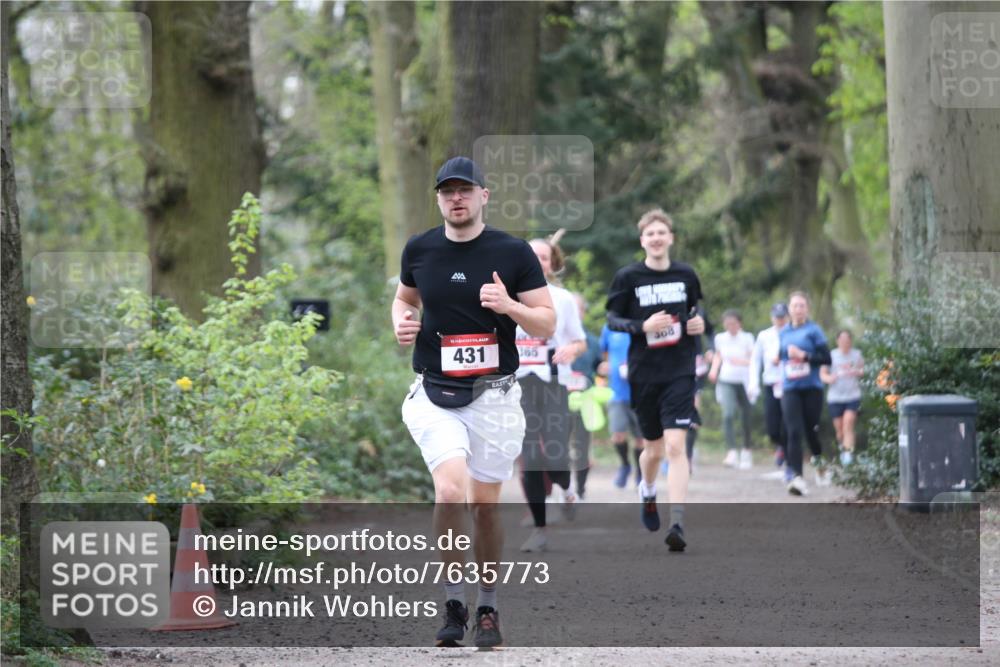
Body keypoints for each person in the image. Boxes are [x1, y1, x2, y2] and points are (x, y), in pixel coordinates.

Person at [393, 156, 556, 647]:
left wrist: (509, 306)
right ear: (439, 199)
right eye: (447, 192)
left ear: (484, 195)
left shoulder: (512, 252)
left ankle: (488, 604)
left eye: (465, 190)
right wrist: (400, 320)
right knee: (450, 492)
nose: (456, 198)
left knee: (485, 505)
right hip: (435, 394)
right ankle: (453, 601)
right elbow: (405, 299)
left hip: (494, 395)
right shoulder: (419, 249)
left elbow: (546, 323)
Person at [606, 208, 706, 551]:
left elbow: (697, 310)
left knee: (676, 447)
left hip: (680, 369)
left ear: (671, 238)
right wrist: (641, 327)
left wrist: (699, 324)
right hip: (644, 373)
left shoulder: (686, 274)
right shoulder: (628, 277)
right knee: (652, 450)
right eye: (650, 234)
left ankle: (676, 521)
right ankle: (647, 491)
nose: (657, 238)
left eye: (662, 232)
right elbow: (612, 320)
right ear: (642, 240)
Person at [516, 239, 586, 553]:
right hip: (517, 384)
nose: (537, 261)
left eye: (543, 257)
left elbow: (579, 341)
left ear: (552, 264)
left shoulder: (563, 298)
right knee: (530, 457)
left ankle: (567, 487)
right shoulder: (504, 296)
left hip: (554, 381)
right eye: (531, 256)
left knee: (555, 453)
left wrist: (571, 348)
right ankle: (540, 529)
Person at [777, 291, 831, 496]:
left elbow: (826, 359)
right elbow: (782, 357)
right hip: (790, 388)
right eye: (794, 306)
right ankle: (797, 477)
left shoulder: (814, 331)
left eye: (801, 305)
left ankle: (820, 465)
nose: (798, 309)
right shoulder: (783, 332)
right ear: (789, 309)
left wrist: (804, 356)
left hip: (812, 388)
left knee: (811, 431)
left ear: (807, 309)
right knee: (793, 432)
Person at [708, 310, 755, 469]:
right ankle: (731, 451)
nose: (730, 327)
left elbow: (753, 360)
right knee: (727, 414)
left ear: (739, 323)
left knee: (745, 416)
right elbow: (718, 356)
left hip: (744, 381)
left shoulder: (747, 338)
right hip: (726, 379)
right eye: (727, 324)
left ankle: (747, 449)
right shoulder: (720, 338)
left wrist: (740, 362)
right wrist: (714, 370)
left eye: (733, 324)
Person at [599, 323, 644, 488]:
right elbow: (604, 354)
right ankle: (625, 465)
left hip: (640, 392)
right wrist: (607, 366)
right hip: (616, 392)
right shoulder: (609, 328)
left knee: (641, 439)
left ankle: (640, 472)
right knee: (618, 435)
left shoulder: (640, 324)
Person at [749, 303, 790, 480]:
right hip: (771, 383)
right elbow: (755, 360)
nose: (779, 320)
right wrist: (753, 383)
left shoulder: (793, 332)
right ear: (772, 317)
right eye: (777, 316)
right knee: (772, 426)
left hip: (790, 384)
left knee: (789, 422)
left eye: (782, 316)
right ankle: (780, 445)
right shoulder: (764, 336)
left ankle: (789, 458)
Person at [569, 292, 602, 499]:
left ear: (583, 313)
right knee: (555, 447)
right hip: (557, 397)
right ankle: (562, 489)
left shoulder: (592, 341)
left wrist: (603, 368)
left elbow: (598, 365)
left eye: (578, 309)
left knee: (582, 447)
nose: (574, 313)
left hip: (585, 399)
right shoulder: (553, 337)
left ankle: (580, 490)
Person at [821, 330, 864, 466]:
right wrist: (829, 378)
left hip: (853, 395)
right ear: (837, 341)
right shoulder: (831, 356)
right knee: (840, 430)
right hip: (835, 397)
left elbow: (863, 370)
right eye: (842, 340)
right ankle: (843, 448)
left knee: (848, 423)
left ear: (850, 341)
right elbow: (822, 374)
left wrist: (858, 371)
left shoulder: (857, 354)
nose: (845, 342)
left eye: (847, 340)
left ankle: (848, 455)